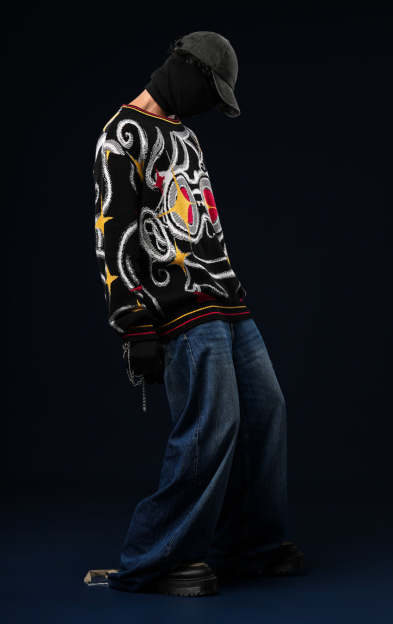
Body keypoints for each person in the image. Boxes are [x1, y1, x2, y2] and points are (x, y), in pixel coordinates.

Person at [88, 31, 304, 597]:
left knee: (266, 410)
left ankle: (250, 545)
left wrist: (232, 284)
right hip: (178, 306)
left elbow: (206, 221)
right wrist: (132, 320)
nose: (209, 106)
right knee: (213, 423)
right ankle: (155, 560)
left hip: (226, 296)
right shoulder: (120, 135)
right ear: (186, 69)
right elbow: (112, 232)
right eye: (211, 92)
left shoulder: (186, 135)